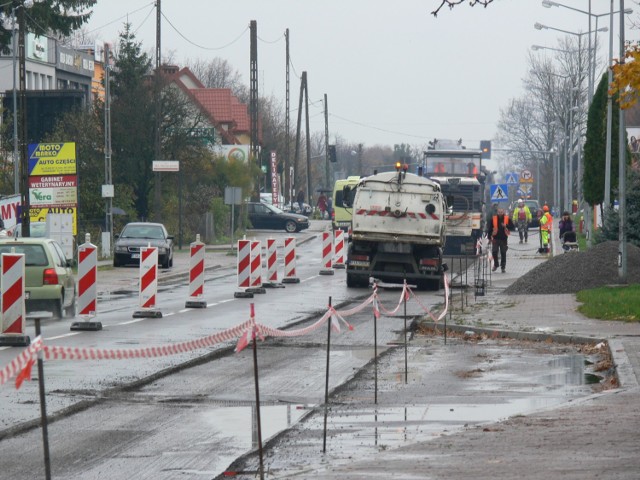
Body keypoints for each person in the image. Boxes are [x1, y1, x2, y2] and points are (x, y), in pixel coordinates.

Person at [487, 207, 511, 273]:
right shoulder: (493, 219)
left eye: (501, 212)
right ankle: (496, 264)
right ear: (497, 212)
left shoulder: (507, 218)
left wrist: (506, 226)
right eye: (499, 212)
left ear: (503, 212)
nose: (500, 213)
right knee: (494, 252)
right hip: (495, 238)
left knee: (503, 253)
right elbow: (490, 229)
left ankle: (503, 267)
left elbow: (513, 227)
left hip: (503, 239)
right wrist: (489, 238)